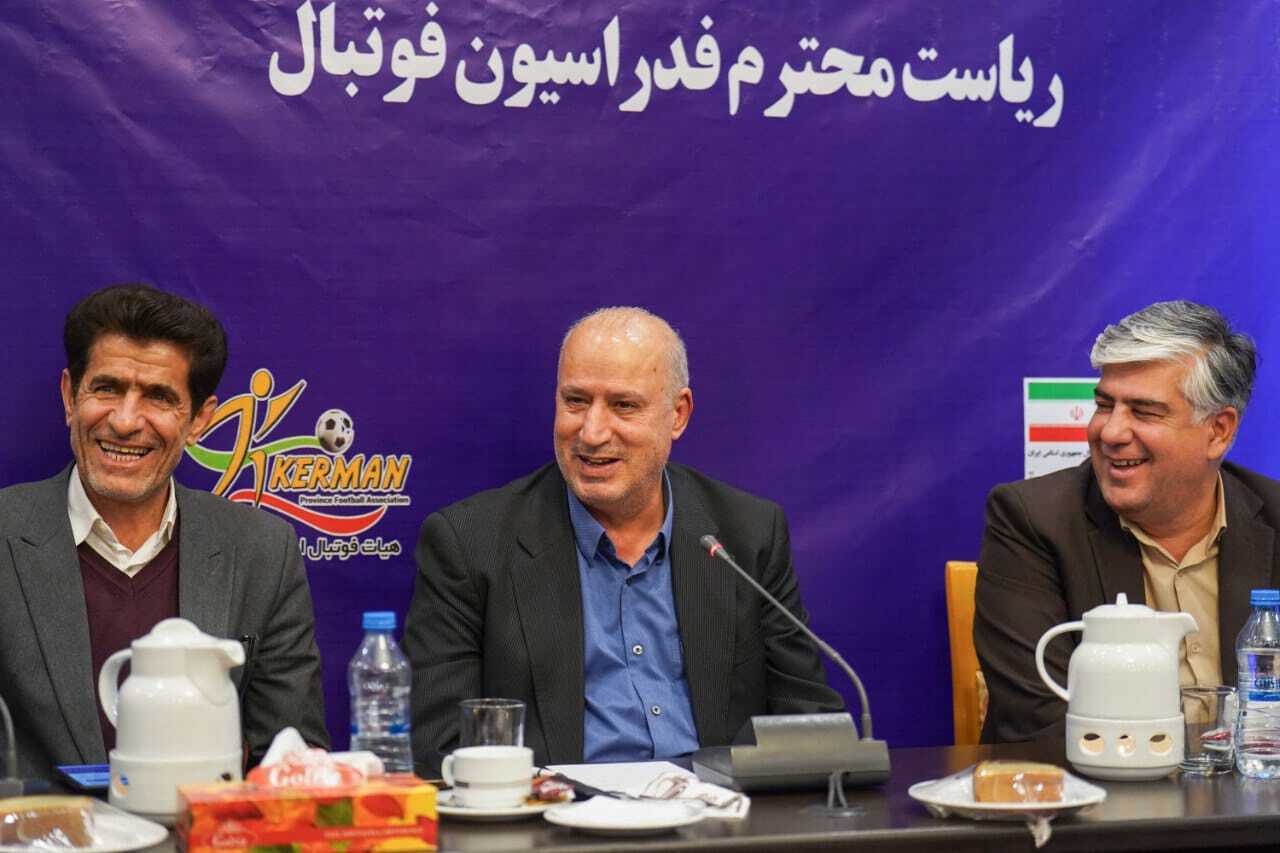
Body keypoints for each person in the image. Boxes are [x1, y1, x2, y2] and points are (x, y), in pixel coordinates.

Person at [404, 307, 842, 773]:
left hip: (715, 808)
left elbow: (807, 722)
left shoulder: (747, 534)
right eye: (575, 401)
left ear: (678, 414)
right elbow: (442, 749)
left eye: (623, 406)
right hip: (560, 813)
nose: (592, 433)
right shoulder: (469, 544)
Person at [0, 284, 328, 778]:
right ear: (70, 396)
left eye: (158, 397)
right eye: (107, 388)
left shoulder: (261, 550)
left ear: (199, 420)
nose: (125, 421)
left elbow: (292, 763)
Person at [976, 300, 1280, 742]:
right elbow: (1038, 719)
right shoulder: (1033, 520)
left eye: (1144, 411)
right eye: (1105, 405)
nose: (1111, 432)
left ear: (1218, 431)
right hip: (1094, 785)